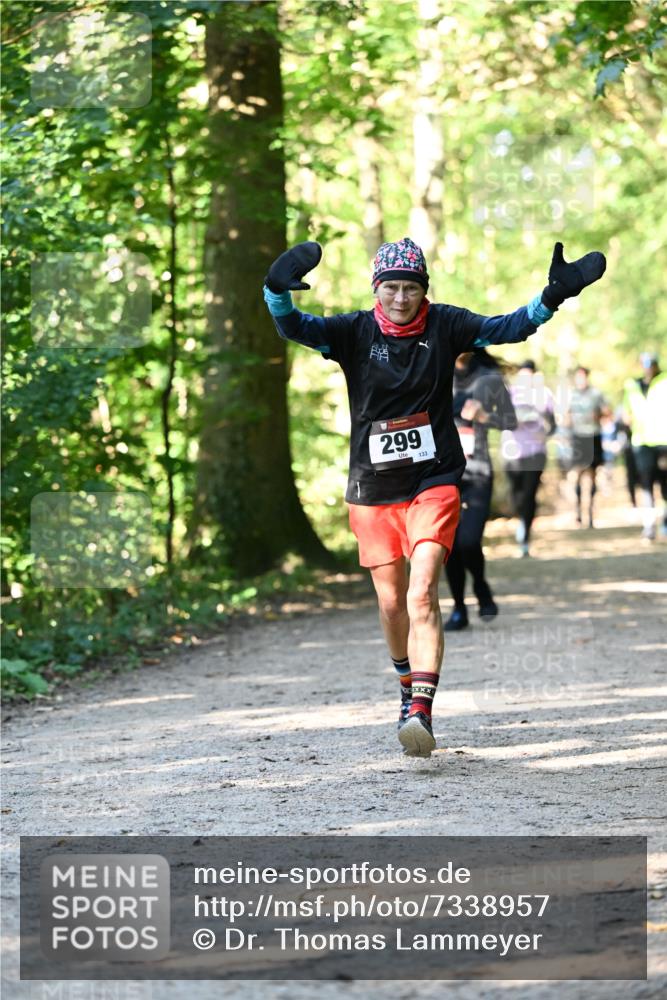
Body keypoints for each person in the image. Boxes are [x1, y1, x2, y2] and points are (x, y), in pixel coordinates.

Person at [263, 237, 606, 757]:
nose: (401, 298)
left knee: (422, 591)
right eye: (392, 288)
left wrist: (552, 296)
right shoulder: (353, 331)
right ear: (377, 290)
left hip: (434, 479)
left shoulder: (445, 323)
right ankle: (406, 683)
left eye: (411, 287)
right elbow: (294, 327)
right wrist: (276, 291)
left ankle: (420, 709)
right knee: (390, 600)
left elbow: (508, 328)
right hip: (373, 487)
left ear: (425, 289)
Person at [443, 350, 517, 631]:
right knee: (448, 546)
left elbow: (510, 421)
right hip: (442, 472)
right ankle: (459, 608)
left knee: (469, 541)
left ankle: (481, 586)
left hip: (478, 472)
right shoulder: (434, 369)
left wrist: (484, 416)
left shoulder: (489, 378)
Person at [502, 360, 556, 557]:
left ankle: (524, 536)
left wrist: (544, 427)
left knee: (529, 495)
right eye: (523, 375)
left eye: (529, 375)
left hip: (536, 452)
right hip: (512, 453)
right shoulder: (509, 393)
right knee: (517, 497)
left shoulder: (544, 395)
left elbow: (554, 425)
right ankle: (522, 520)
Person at [622, 353, 667, 541]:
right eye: (645, 364)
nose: (648, 368)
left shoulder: (664, 380)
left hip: (664, 441)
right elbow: (626, 411)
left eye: (651, 364)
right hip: (641, 441)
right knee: (646, 484)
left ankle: (665, 523)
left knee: (665, 484)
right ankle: (649, 526)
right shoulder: (631, 385)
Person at [564, 366, 608, 528]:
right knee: (577, 474)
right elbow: (565, 416)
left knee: (592, 475)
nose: (581, 380)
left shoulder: (596, 394)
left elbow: (607, 412)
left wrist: (599, 415)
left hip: (593, 436)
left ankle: (589, 513)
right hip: (578, 437)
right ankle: (577, 512)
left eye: (583, 377)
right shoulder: (571, 395)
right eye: (578, 377)